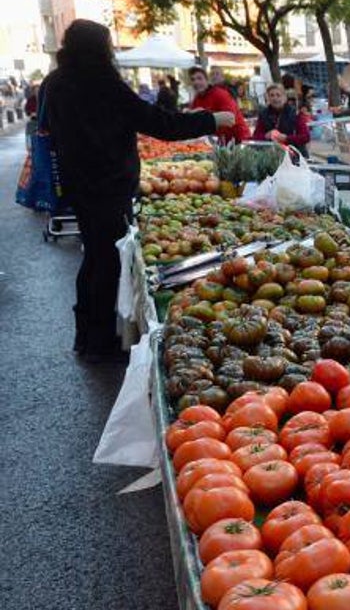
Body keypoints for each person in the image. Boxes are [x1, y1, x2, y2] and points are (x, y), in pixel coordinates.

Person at [40, 20, 233, 361]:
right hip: (109, 187)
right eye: (108, 44)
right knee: (110, 264)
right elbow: (160, 123)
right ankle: (102, 343)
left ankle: (85, 335)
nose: (112, 50)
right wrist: (210, 120)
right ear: (98, 48)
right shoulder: (103, 84)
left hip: (78, 187)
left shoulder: (55, 83)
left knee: (93, 261)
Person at [188, 66, 248, 144]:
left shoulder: (220, 94)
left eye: (199, 78)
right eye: (193, 79)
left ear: (207, 80)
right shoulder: (196, 99)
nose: (196, 82)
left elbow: (231, 119)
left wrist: (205, 115)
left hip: (238, 140)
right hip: (217, 143)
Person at [252, 82, 310, 157]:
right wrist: (266, 136)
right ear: (268, 98)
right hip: (272, 156)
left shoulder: (295, 113)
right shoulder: (263, 114)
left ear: (284, 97)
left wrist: (286, 138)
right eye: (271, 95)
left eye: (278, 95)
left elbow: (305, 137)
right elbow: (255, 137)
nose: (275, 98)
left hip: (295, 155)